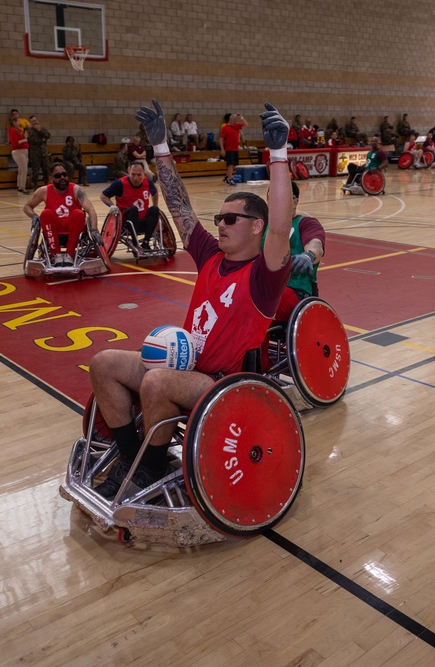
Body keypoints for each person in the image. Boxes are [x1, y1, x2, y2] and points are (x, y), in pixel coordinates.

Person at [86, 99, 292, 499]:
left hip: (224, 382)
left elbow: (282, 227)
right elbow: (180, 206)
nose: (220, 224)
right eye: (218, 218)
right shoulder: (210, 256)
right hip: (187, 366)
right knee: (104, 362)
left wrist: (279, 155)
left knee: (159, 382)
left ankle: (144, 467)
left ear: (256, 227)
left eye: (230, 219)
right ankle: (137, 461)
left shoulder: (265, 276)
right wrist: (160, 146)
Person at [264, 180, 325, 322]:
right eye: (272, 197)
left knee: (259, 307)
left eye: (283, 197)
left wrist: (308, 255)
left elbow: (316, 244)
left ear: (295, 202)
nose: (277, 201)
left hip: (293, 290)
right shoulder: (262, 225)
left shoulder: (306, 224)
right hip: (263, 287)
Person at [22, 162, 99, 265]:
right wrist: (34, 216)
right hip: (54, 232)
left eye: (64, 174)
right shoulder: (44, 191)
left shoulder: (76, 190)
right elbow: (27, 207)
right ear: (51, 179)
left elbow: (91, 210)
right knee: (45, 213)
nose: (62, 177)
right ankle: (56, 255)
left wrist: (94, 230)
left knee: (79, 213)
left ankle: (70, 255)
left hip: (74, 231)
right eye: (58, 176)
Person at [100, 161, 161, 248]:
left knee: (155, 209)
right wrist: (112, 206)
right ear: (128, 172)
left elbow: (155, 193)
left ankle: (146, 242)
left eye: (139, 175)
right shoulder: (120, 183)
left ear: (144, 173)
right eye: (133, 174)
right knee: (133, 209)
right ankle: (135, 243)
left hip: (143, 220)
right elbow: (103, 195)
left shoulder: (148, 183)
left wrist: (155, 204)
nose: (136, 178)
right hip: (126, 221)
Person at [220, 111, 245, 186]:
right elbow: (221, 139)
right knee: (230, 164)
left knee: (234, 165)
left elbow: (246, 124)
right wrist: (222, 149)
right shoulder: (225, 128)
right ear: (231, 120)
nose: (235, 122)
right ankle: (230, 179)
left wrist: (241, 117)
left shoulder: (236, 126)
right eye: (234, 120)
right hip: (229, 148)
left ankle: (227, 177)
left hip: (235, 149)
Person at [25, 115, 51, 189]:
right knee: (35, 171)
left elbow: (48, 136)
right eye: (32, 121)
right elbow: (32, 141)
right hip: (35, 155)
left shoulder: (42, 129)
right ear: (30, 123)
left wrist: (40, 131)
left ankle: (46, 184)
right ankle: (35, 185)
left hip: (44, 153)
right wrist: (42, 140)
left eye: (35, 120)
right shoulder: (29, 131)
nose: (34, 122)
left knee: (46, 170)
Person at [7, 115, 30, 193]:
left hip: (23, 150)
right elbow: (15, 143)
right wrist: (24, 140)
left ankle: (20, 186)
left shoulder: (19, 130)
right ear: (14, 122)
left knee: (21, 169)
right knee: (24, 169)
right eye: (18, 121)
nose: (19, 122)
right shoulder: (12, 130)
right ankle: (22, 187)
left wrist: (24, 136)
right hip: (18, 151)